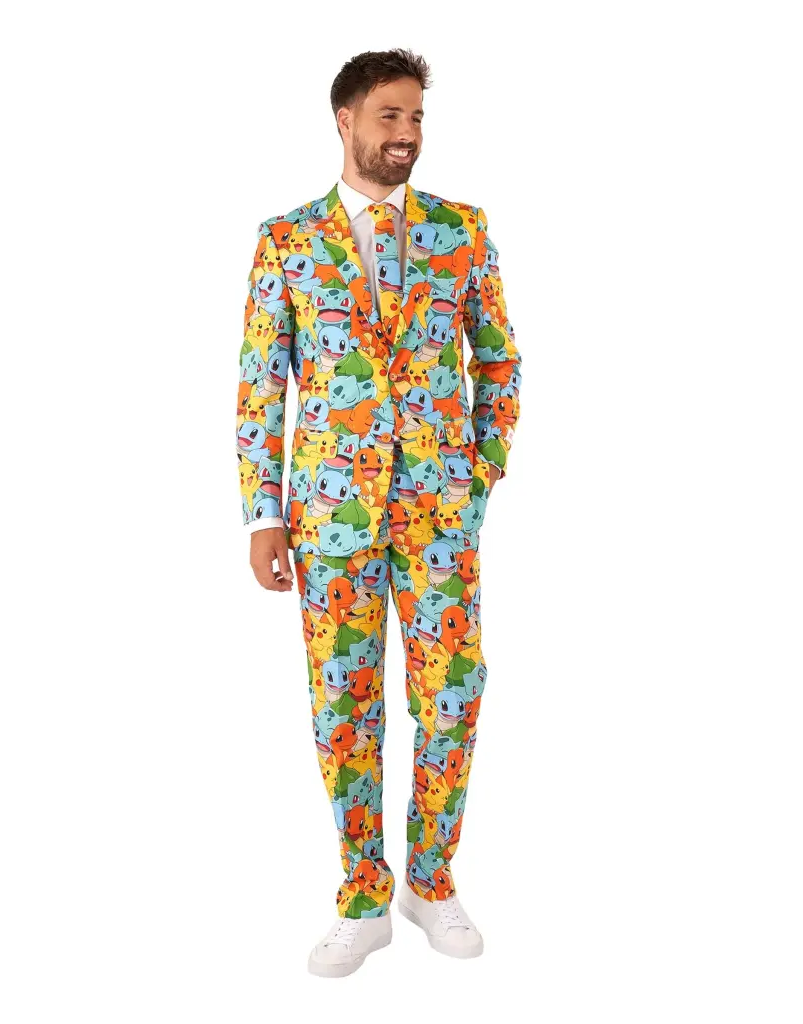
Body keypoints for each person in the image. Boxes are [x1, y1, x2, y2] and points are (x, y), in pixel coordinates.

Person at [234, 48, 522, 977]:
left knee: (453, 695)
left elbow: (499, 361)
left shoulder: (460, 230)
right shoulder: (286, 241)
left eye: (417, 117)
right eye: (390, 115)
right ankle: (363, 894)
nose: (407, 134)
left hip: (440, 517)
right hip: (329, 522)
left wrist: (479, 472)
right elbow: (261, 387)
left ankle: (430, 881)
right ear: (346, 120)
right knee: (345, 709)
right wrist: (263, 514)